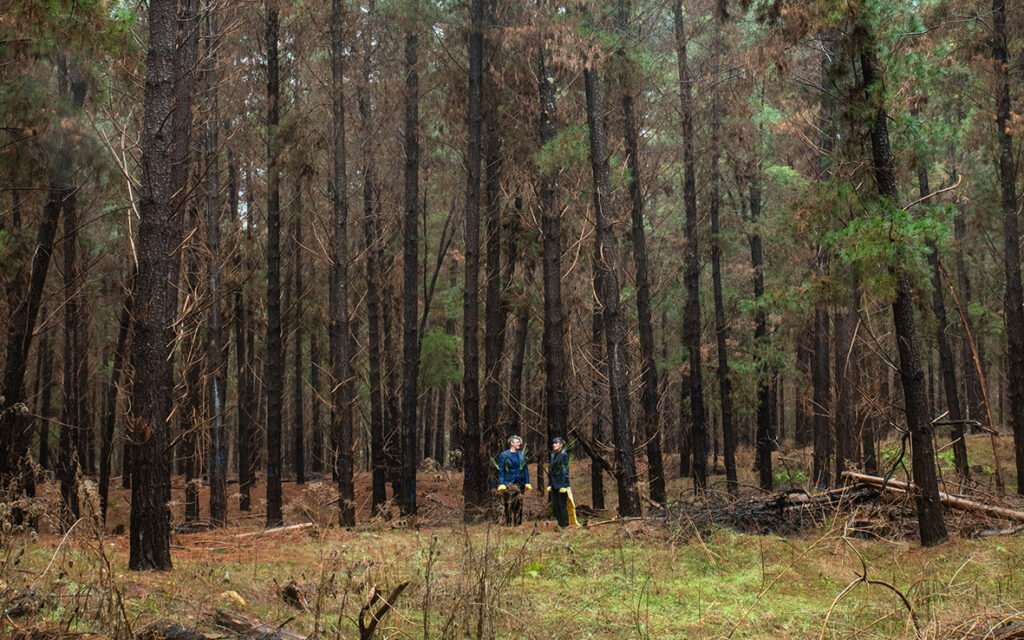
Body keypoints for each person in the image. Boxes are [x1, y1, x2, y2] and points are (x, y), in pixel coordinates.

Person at [496, 435, 531, 525]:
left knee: (519, 503)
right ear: (511, 443)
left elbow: (525, 469)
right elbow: (501, 470)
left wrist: (527, 482)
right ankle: (508, 522)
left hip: (520, 482)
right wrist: (501, 483)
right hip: (508, 483)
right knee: (508, 503)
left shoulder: (522, 454)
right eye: (517, 442)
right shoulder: (504, 455)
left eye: (519, 442)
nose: (519, 443)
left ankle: (518, 523)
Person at [546, 437, 577, 528]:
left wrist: (564, 485)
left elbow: (565, 470)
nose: (554, 445)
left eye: (556, 443)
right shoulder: (553, 455)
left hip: (561, 483)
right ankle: (560, 524)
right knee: (555, 506)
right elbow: (551, 471)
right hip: (554, 483)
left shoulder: (564, 455)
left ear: (561, 445)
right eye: (553, 443)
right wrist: (550, 484)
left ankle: (565, 524)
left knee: (562, 505)